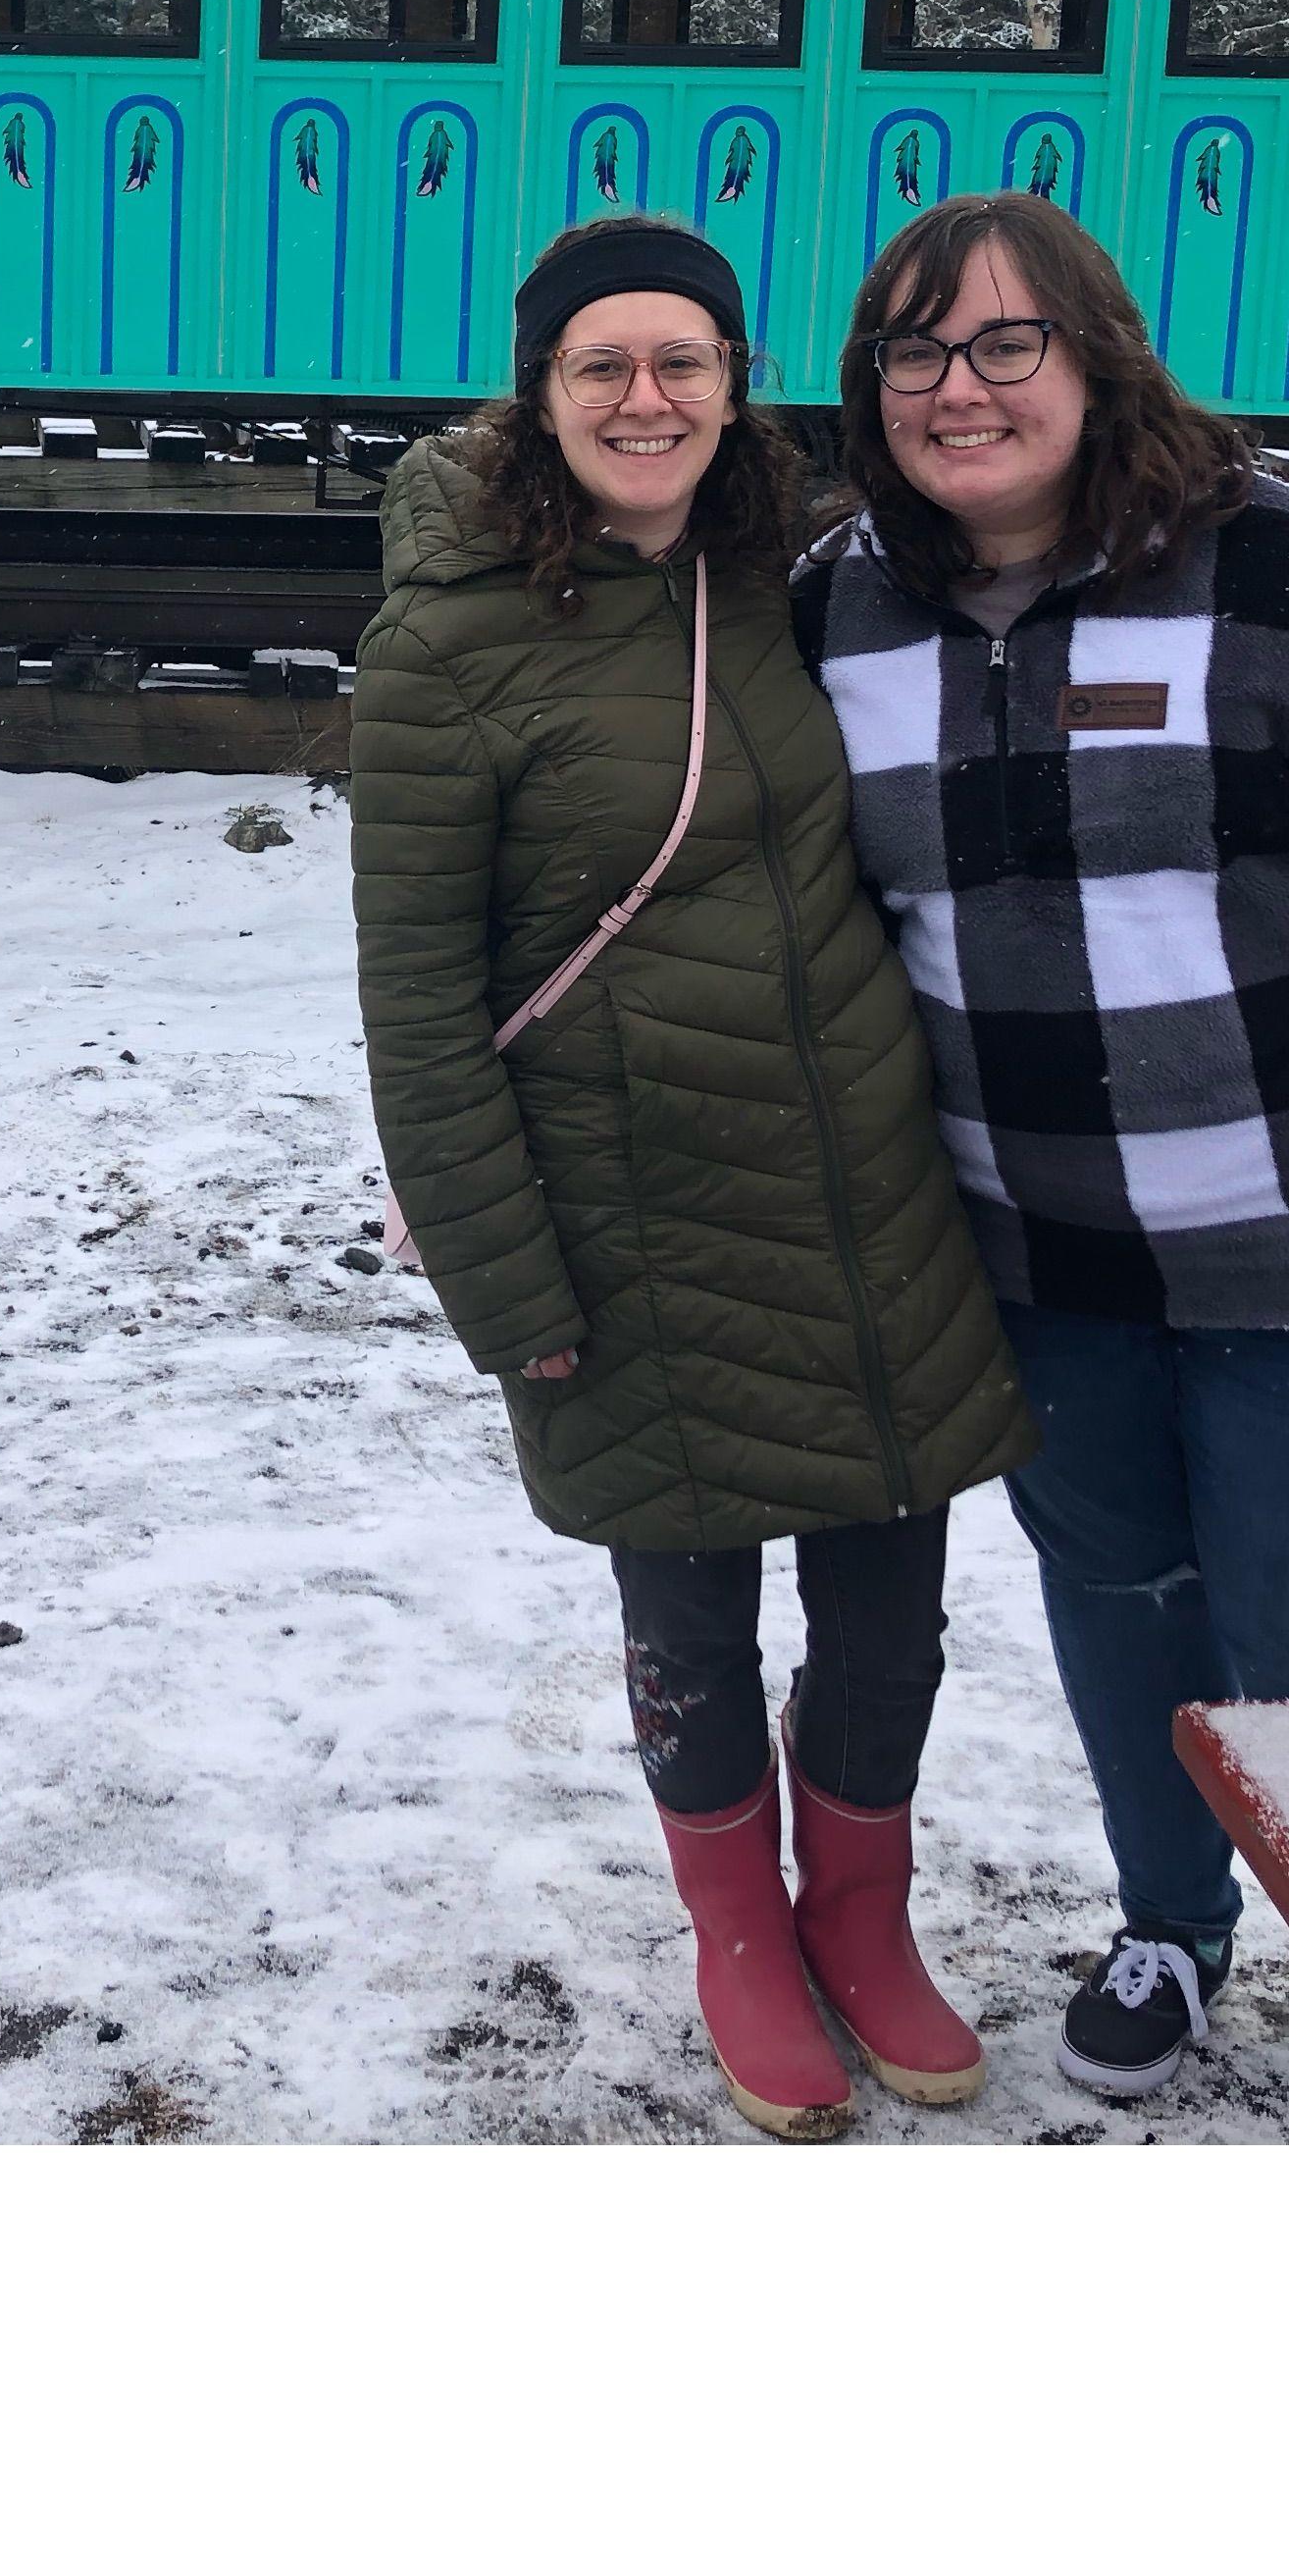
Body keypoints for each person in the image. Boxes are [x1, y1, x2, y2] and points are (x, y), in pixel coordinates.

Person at [792, 196, 1289, 2102]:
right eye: (915, 352)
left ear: (1094, 356)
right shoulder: (841, 608)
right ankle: (1174, 1923)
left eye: (1006, 345)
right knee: (1125, 1616)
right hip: (1043, 1273)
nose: (959, 388)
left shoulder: (1284, 571)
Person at [352, 214, 1034, 2138]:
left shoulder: (790, 571)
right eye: (602, 368)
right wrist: (508, 1293)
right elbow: (414, 1003)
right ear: (541, 395)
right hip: (625, 1214)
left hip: (868, 1197)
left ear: (737, 388)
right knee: (693, 1620)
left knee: (893, 1594)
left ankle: (865, 1918)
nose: (645, 400)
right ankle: (743, 1937)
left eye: (684, 363)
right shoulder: (446, 645)